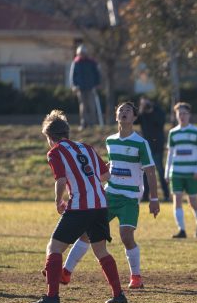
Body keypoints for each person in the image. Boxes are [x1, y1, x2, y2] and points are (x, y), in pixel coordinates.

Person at [29, 110, 127, 303]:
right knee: (101, 251)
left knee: (54, 248)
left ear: (50, 137)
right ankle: (119, 294)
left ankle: (52, 297)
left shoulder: (55, 152)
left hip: (80, 206)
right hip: (100, 204)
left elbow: (61, 180)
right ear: (66, 132)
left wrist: (58, 201)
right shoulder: (87, 148)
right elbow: (106, 175)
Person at [61, 102, 161, 290]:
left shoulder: (141, 143)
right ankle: (66, 272)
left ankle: (136, 276)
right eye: (121, 110)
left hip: (130, 197)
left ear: (134, 118)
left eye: (128, 111)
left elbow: (150, 171)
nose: (124, 113)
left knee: (126, 236)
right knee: (86, 232)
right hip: (109, 194)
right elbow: (111, 164)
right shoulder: (111, 141)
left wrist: (154, 199)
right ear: (116, 116)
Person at [166, 102, 197, 238]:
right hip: (176, 172)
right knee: (176, 200)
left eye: (184, 113)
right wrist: (167, 172)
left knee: (193, 201)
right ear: (176, 116)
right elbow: (170, 154)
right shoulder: (173, 133)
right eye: (179, 114)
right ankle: (181, 230)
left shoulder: (196, 132)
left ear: (189, 115)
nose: (182, 116)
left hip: (191, 172)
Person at [136, 97, 171, 202]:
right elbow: (135, 121)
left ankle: (166, 195)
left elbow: (160, 121)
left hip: (157, 147)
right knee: (145, 172)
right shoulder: (142, 114)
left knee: (160, 171)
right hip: (146, 147)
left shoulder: (158, 111)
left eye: (147, 103)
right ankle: (145, 196)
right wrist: (141, 110)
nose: (145, 105)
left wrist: (151, 110)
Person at [69, 45, 102, 129]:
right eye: (80, 53)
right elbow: (72, 76)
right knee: (83, 106)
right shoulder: (76, 63)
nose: (81, 55)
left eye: (83, 53)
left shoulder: (91, 62)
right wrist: (73, 85)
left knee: (91, 105)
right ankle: (83, 123)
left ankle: (92, 124)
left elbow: (96, 74)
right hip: (80, 88)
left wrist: (97, 83)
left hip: (90, 87)